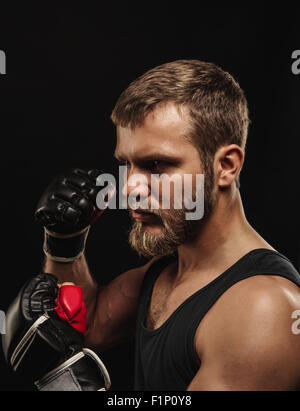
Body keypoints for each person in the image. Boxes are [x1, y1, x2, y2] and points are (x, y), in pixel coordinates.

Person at [4, 60, 300, 390]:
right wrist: (64, 244)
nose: (129, 187)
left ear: (226, 167)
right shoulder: (166, 271)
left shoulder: (263, 308)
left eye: (156, 165)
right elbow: (85, 330)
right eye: (125, 164)